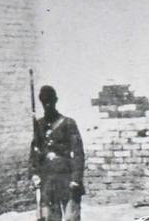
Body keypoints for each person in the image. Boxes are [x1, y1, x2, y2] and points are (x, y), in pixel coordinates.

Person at [30, 85, 85, 221]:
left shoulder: (68, 123)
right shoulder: (39, 125)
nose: (47, 105)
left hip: (66, 176)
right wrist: (34, 173)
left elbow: (78, 152)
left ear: (56, 100)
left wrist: (76, 178)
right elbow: (34, 152)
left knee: (71, 216)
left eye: (50, 101)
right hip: (47, 179)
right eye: (44, 102)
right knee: (49, 218)